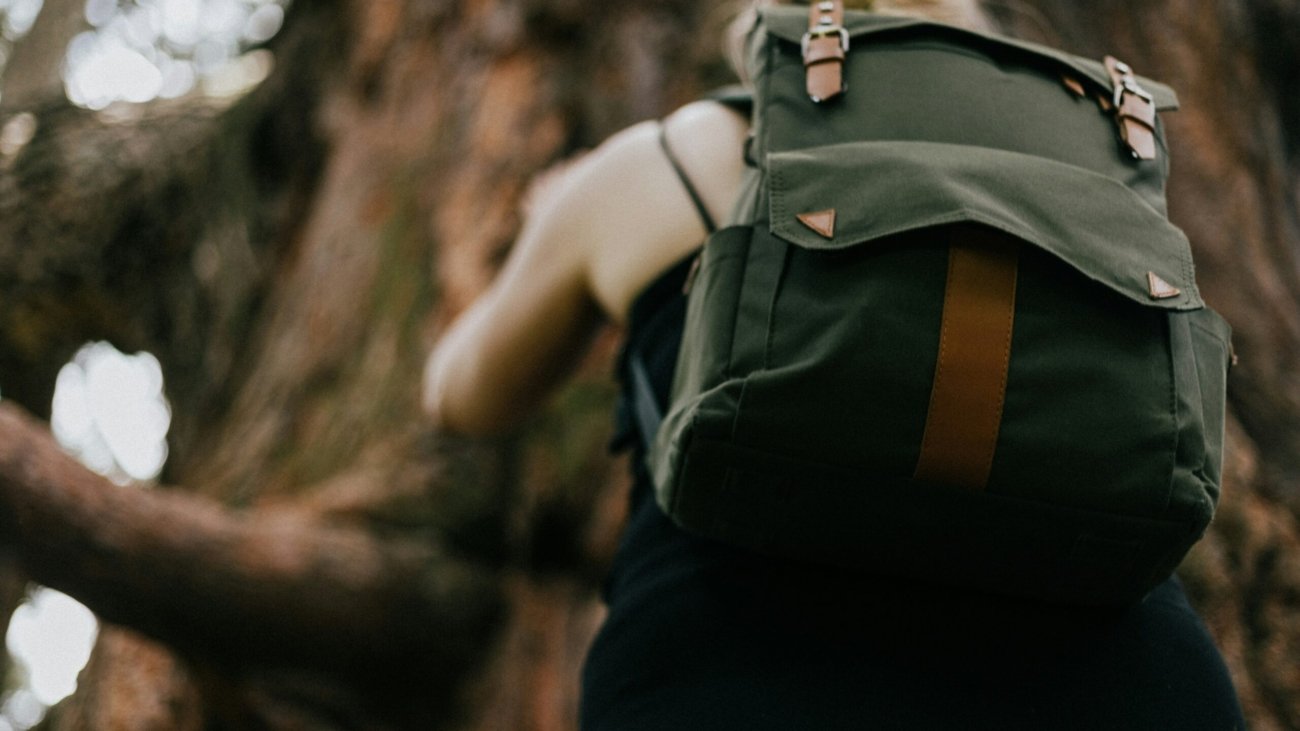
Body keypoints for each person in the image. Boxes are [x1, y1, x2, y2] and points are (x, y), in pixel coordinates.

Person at [423, 1, 1246, 728]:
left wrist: (543, 226)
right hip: (1120, 680)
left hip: (728, 671)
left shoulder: (657, 163)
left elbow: (460, 397)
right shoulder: (1103, 145)